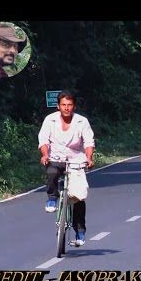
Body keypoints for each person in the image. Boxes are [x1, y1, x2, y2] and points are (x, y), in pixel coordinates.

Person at [38, 90, 95, 247]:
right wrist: (45, 155)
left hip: (76, 160)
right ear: (58, 106)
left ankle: (80, 231)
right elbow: (43, 140)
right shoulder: (50, 120)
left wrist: (89, 158)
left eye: (69, 105)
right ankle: (52, 199)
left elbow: (88, 142)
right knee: (51, 172)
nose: (66, 108)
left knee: (78, 197)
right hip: (55, 157)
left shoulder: (82, 121)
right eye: (63, 105)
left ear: (74, 106)